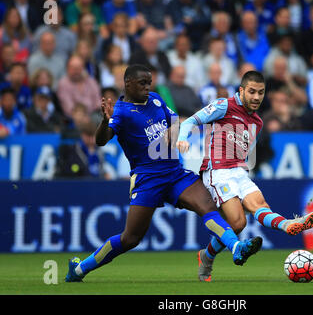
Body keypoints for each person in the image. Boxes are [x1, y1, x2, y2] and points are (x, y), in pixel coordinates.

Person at [65, 64, 263, 282]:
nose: (147, 87)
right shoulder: (121, 111)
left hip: (174, 173)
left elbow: (175, 120)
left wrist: (174, 132)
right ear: (128, 83)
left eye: (149, 83)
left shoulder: (156, 99)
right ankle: (80, 268)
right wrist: (104, 121)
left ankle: (236, 247)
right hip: (148, 179)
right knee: (130, 238)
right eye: (142, 83)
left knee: (206, 205)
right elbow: (101, 140)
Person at [176, 70, 313, 282]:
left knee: (259, 205)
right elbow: (190, 122)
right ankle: (207, 257)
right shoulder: (224, 105)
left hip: (239, 172)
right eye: (252, 91)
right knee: (238, 222)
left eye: (261, 93)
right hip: (217, 171)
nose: (256, 97)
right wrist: (182, 138)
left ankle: (288, 225)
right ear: (241, 90)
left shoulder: (258, 122)